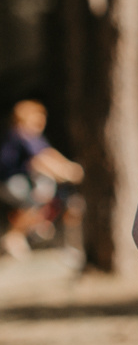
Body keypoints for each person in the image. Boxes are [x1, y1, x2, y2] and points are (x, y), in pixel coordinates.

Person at [2, 100, 84, 258]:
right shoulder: (21, 133)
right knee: (43, 189)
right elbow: (40, 160)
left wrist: (68, 166)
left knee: (55, 192)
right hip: (12, 182)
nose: (42, 121)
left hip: (22, 181)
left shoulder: (35, 137)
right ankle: (20, 234)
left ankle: (38, 228)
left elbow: (49, 153)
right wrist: (66, 172)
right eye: (38, 116)